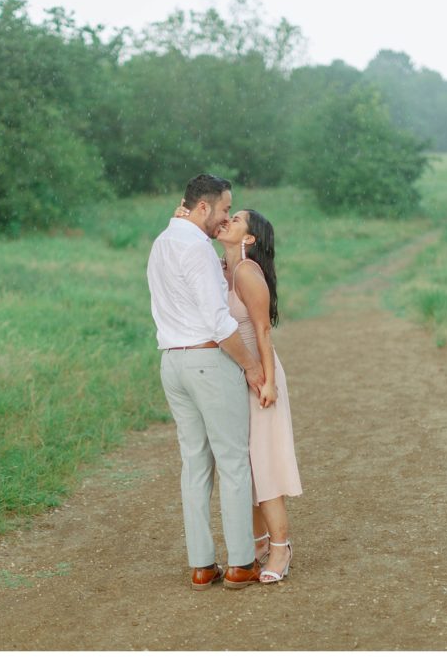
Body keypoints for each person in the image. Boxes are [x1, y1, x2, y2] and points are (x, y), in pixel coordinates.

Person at [146, 173, 266, 591]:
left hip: (172, 364)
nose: (226, 217)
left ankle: (201, 564)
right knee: (233, 462)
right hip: (207, 362)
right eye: (224, 209)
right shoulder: (195, 247)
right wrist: (251, 366)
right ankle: (241, 563)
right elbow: (218, 322)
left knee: (195, 464)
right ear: (202, 208)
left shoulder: (164, 242)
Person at [174, 203, 302, 584]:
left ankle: (281, 548)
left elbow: (263, 331)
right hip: (232, 376)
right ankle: (259, 541)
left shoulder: (247, 272)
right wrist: (183, 222)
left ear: (249, 238)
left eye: (237, 219)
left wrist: (268, 381)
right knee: (243, 465)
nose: (227, 220)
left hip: (257, 374)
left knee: (265, 465)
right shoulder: (222, 268)